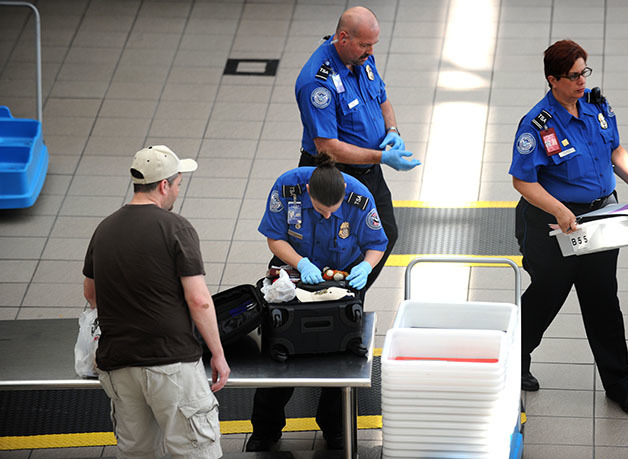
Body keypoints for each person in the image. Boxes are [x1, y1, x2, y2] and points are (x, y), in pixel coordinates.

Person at [509, 40, 628, 416]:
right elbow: (523, 181)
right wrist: (559, 210)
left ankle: (620, 385)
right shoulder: (536, 124)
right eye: (573, 76)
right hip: (551, 222)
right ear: (552, 79)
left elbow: (615, 150)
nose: (581, 82)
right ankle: (513, 361)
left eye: (584, 73)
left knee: (603, 300)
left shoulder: (597, 106)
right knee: (547, 295)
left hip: (598, 221)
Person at [83, 145, 231, 458]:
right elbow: (199, 301)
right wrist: (217, 353)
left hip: (119, 366)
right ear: (164, 185)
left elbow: (91, 295)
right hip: (169, 364)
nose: (178, 190)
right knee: (194, 449)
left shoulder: (104, 229)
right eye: (178, 184)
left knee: (138, 452)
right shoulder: (175, 227)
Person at [246, 153, 388, 452]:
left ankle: (335, 430)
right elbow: (275, 238)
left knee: (340, 359)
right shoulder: (288, 187)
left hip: (341, 278)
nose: (326, 216)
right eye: (321, 211)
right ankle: (265, 431)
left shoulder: (359, 197)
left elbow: (376, 243)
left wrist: (365, 267)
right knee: (280, 355)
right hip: (294, 272)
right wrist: (302, 263)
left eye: (333, 211)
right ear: (309, 192)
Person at [294, 5, 421, 290]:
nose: (371, 52)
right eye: (365, 45)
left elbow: (382, 98)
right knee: (333, 244)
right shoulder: (318, 83)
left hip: (368, 172)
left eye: (373, 44)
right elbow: (328, 148)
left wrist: (392, 131)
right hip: (334, 173)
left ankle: (351, 295)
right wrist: (383, 157)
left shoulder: (361, 58)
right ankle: (333, 298)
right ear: (343, 38)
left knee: (384, 233)